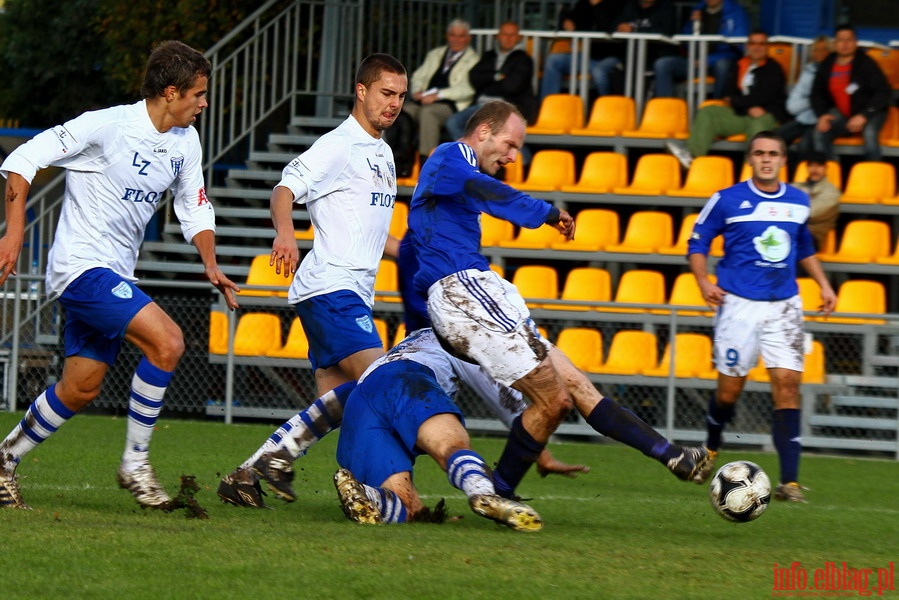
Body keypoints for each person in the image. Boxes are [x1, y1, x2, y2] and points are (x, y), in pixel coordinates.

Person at [407, 100, 710, 501]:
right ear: (483, 133)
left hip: (472, 294)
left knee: (573, 387)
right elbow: (485, 190)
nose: (514, 157)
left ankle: (672, 456)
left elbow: (474, 198)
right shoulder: (451, 156)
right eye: (511, 145)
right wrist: (546, 213)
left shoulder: (455, 177)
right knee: (555, 400)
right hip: (464, 291)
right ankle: (498, 493)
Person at [0, 41, 240, 510]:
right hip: (81, 268)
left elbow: (193, 205)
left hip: (114, 273)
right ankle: (135, 462)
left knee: (81, 387)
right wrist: (14, 235)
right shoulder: (106, 126)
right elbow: (22, 159)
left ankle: (4, 459)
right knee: (168, 342)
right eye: (198, 94)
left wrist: (210, 262)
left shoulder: (185, 142)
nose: (204, 103)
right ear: (170, 92)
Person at [234, 54, 407, 494]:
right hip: (334, 287)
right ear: (362, 90)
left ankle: (251, 472)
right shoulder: (339, 144)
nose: (394, 104)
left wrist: (413, 257)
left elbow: (375, 233)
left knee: (339, 407)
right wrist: (286, 235)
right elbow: (284, 189)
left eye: (402, 96)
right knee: (380, 383)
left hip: (346, 293)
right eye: (387, 93)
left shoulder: (383, 153)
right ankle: (378, 491)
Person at [686, 130, 837, 503]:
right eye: (759, 153)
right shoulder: (726, 199)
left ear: (784, 160)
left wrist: (824, 285)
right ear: (750, 159)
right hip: (739, 305)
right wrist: (703, 280)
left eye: (773, 153)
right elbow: (697, 241)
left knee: (787, 387)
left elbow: (804, 247)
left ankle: (791, 482)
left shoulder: (799, 201)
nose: (766, 159)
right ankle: (711, 450)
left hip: (785, 305)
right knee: (728, 393)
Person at [333, 328, 542, 531]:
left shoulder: (390, 354)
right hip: (404, 381)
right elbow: (497, 391)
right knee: (450, 446)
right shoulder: (454, 336)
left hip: (360, 405)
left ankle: (369, 495)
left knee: (410, 509)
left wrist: (297, 443)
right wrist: (534, 438)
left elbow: (324, 410)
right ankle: (483, 493)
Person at [666, 30, 787, 169]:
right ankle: (691, 155)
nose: (757, 47)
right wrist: (746, 105)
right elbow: (728, 94)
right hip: (744, 112)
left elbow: (765, 96)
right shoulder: (740, 65)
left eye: (761, 43)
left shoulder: (774, 69)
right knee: (708, 112)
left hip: (767, 113)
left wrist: (742, 102)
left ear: (767, 47)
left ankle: (752, 175)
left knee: (757, 128)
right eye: (753, 43)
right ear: (747, 46)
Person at [401, 19, 480, 166]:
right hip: (423, 100)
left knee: (428, 113)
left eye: (461, 36)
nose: (456, 39)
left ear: (468, 38)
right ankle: (400, 157)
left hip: (449, 106)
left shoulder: (474, 60)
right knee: (401, 111)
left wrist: (438, 95)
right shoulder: (435, 54)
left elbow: (467, 89)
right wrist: (417, 91)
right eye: (453, 35)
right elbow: (419, 76)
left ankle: (427, 162)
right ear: (447, 36)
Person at [445, 21, 538, 141]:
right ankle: (470, 156)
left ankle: (521, 157)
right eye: (504, 34)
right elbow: (474, 78)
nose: (508, 38)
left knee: (489, 132)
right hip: (480, 106)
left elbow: (512, 86)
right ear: (498, 36)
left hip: (507, 107)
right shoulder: (488, 56)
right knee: (453, 122)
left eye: (512, 35)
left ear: (519, 38)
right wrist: (498, 77)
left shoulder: (524, 59)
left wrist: (488, 81)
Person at [811, 25, 892, 161]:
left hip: (871, 111)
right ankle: (830, 174)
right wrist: (822, 115)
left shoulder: (866, 63)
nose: (845, 44)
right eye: (841, 40)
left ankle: (874, 175)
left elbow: (883, 92)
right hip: (843, 112)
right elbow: (816, 94)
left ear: (856, 42)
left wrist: (864, 115)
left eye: (849, 40)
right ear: (835, 44)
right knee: (820, 132)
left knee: (870, 133)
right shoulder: (827, 64)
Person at [652, 0, 749, 99]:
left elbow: (739, 45)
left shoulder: (735, 11)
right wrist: (692, 25)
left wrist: (709, 60)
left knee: (722, 66)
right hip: (696, 62)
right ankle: (666, 107)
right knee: (663, 64)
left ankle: (716, 106)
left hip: (720, 62)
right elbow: (685, 41)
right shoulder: (698, 9)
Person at [539, 0, 628, 99]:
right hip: (589, 56)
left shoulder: (621, 4)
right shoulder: (584, 4)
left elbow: (608, 27)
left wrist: (598, 5)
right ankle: (548, 105)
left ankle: (609, 109)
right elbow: (571, 18)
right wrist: (567, 21)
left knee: (598, 72)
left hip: (613, 57)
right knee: (553, 60)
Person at [774, 36, 833, 159]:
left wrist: (809, 101)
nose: (820, 53)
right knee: (774, 139)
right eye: (817, 50)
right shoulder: (808, 70)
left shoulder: (834, 71)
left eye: (825, 49)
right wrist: (809, 101)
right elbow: (792, 105)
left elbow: (826, 99)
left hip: (820, 120)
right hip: (803, 118)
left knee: (804, 147)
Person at [790, 150, 841, 250]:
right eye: (811, 166)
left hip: (813, 235)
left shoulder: (831, 192)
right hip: (792, 231)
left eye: (819, 166)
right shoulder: (795, 187)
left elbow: (811, 212)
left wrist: (787, 210)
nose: (815, 169)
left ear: (825, 168)